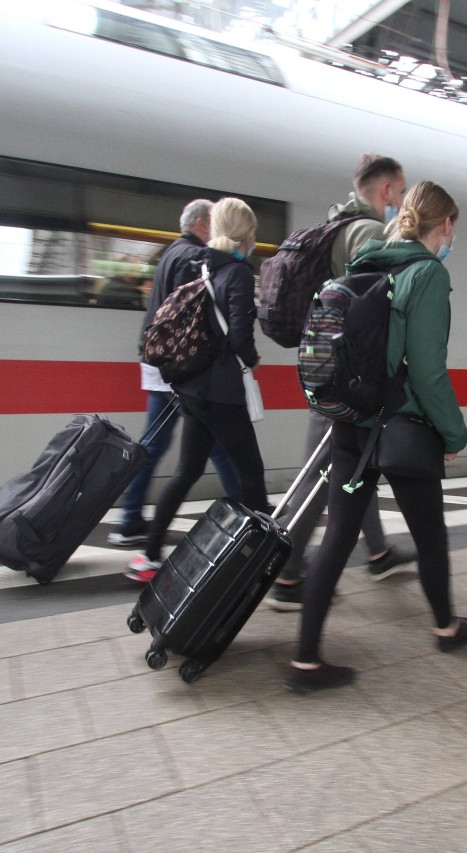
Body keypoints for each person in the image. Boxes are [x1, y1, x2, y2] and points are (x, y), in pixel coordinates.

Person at [286, 181, 467, 693]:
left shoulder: (365, 262)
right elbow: (427, 372)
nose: (451, 238)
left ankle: (305, 660)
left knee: (337, 536)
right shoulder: (427, 274)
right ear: (444, 226)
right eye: (453, 229)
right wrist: (453, 431)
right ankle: (446, 626)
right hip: (399, 427)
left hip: (351, 425)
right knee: (429, 534)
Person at [267, 155, 415, 611]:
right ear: (386, 191)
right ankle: (288, 577)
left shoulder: (338, 223)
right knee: (322, 473)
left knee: (351, 467)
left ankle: (378, 551)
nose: (404, 201)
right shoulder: (369, 233)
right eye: (402, 192)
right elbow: (374, 315)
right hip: (345, 377)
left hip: (327, 367)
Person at [125, 197, 270, 582]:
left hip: (192, 390)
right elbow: (239, 335)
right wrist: (252, 358)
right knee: (252, 473)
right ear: (245, 233)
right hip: (222, 391)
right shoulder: (237, 273)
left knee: (185, 471)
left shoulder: (201, 266)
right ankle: (266, 558)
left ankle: (150, 556)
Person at [109, 200, 242, 548]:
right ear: (202, 223)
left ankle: (133, 518)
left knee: (199, 445)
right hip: (177, 370)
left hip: (165, 365)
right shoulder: (190, 258)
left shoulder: (172, 252)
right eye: (214, 222)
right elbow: (190, 317)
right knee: (165, 446)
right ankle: (130, 520)